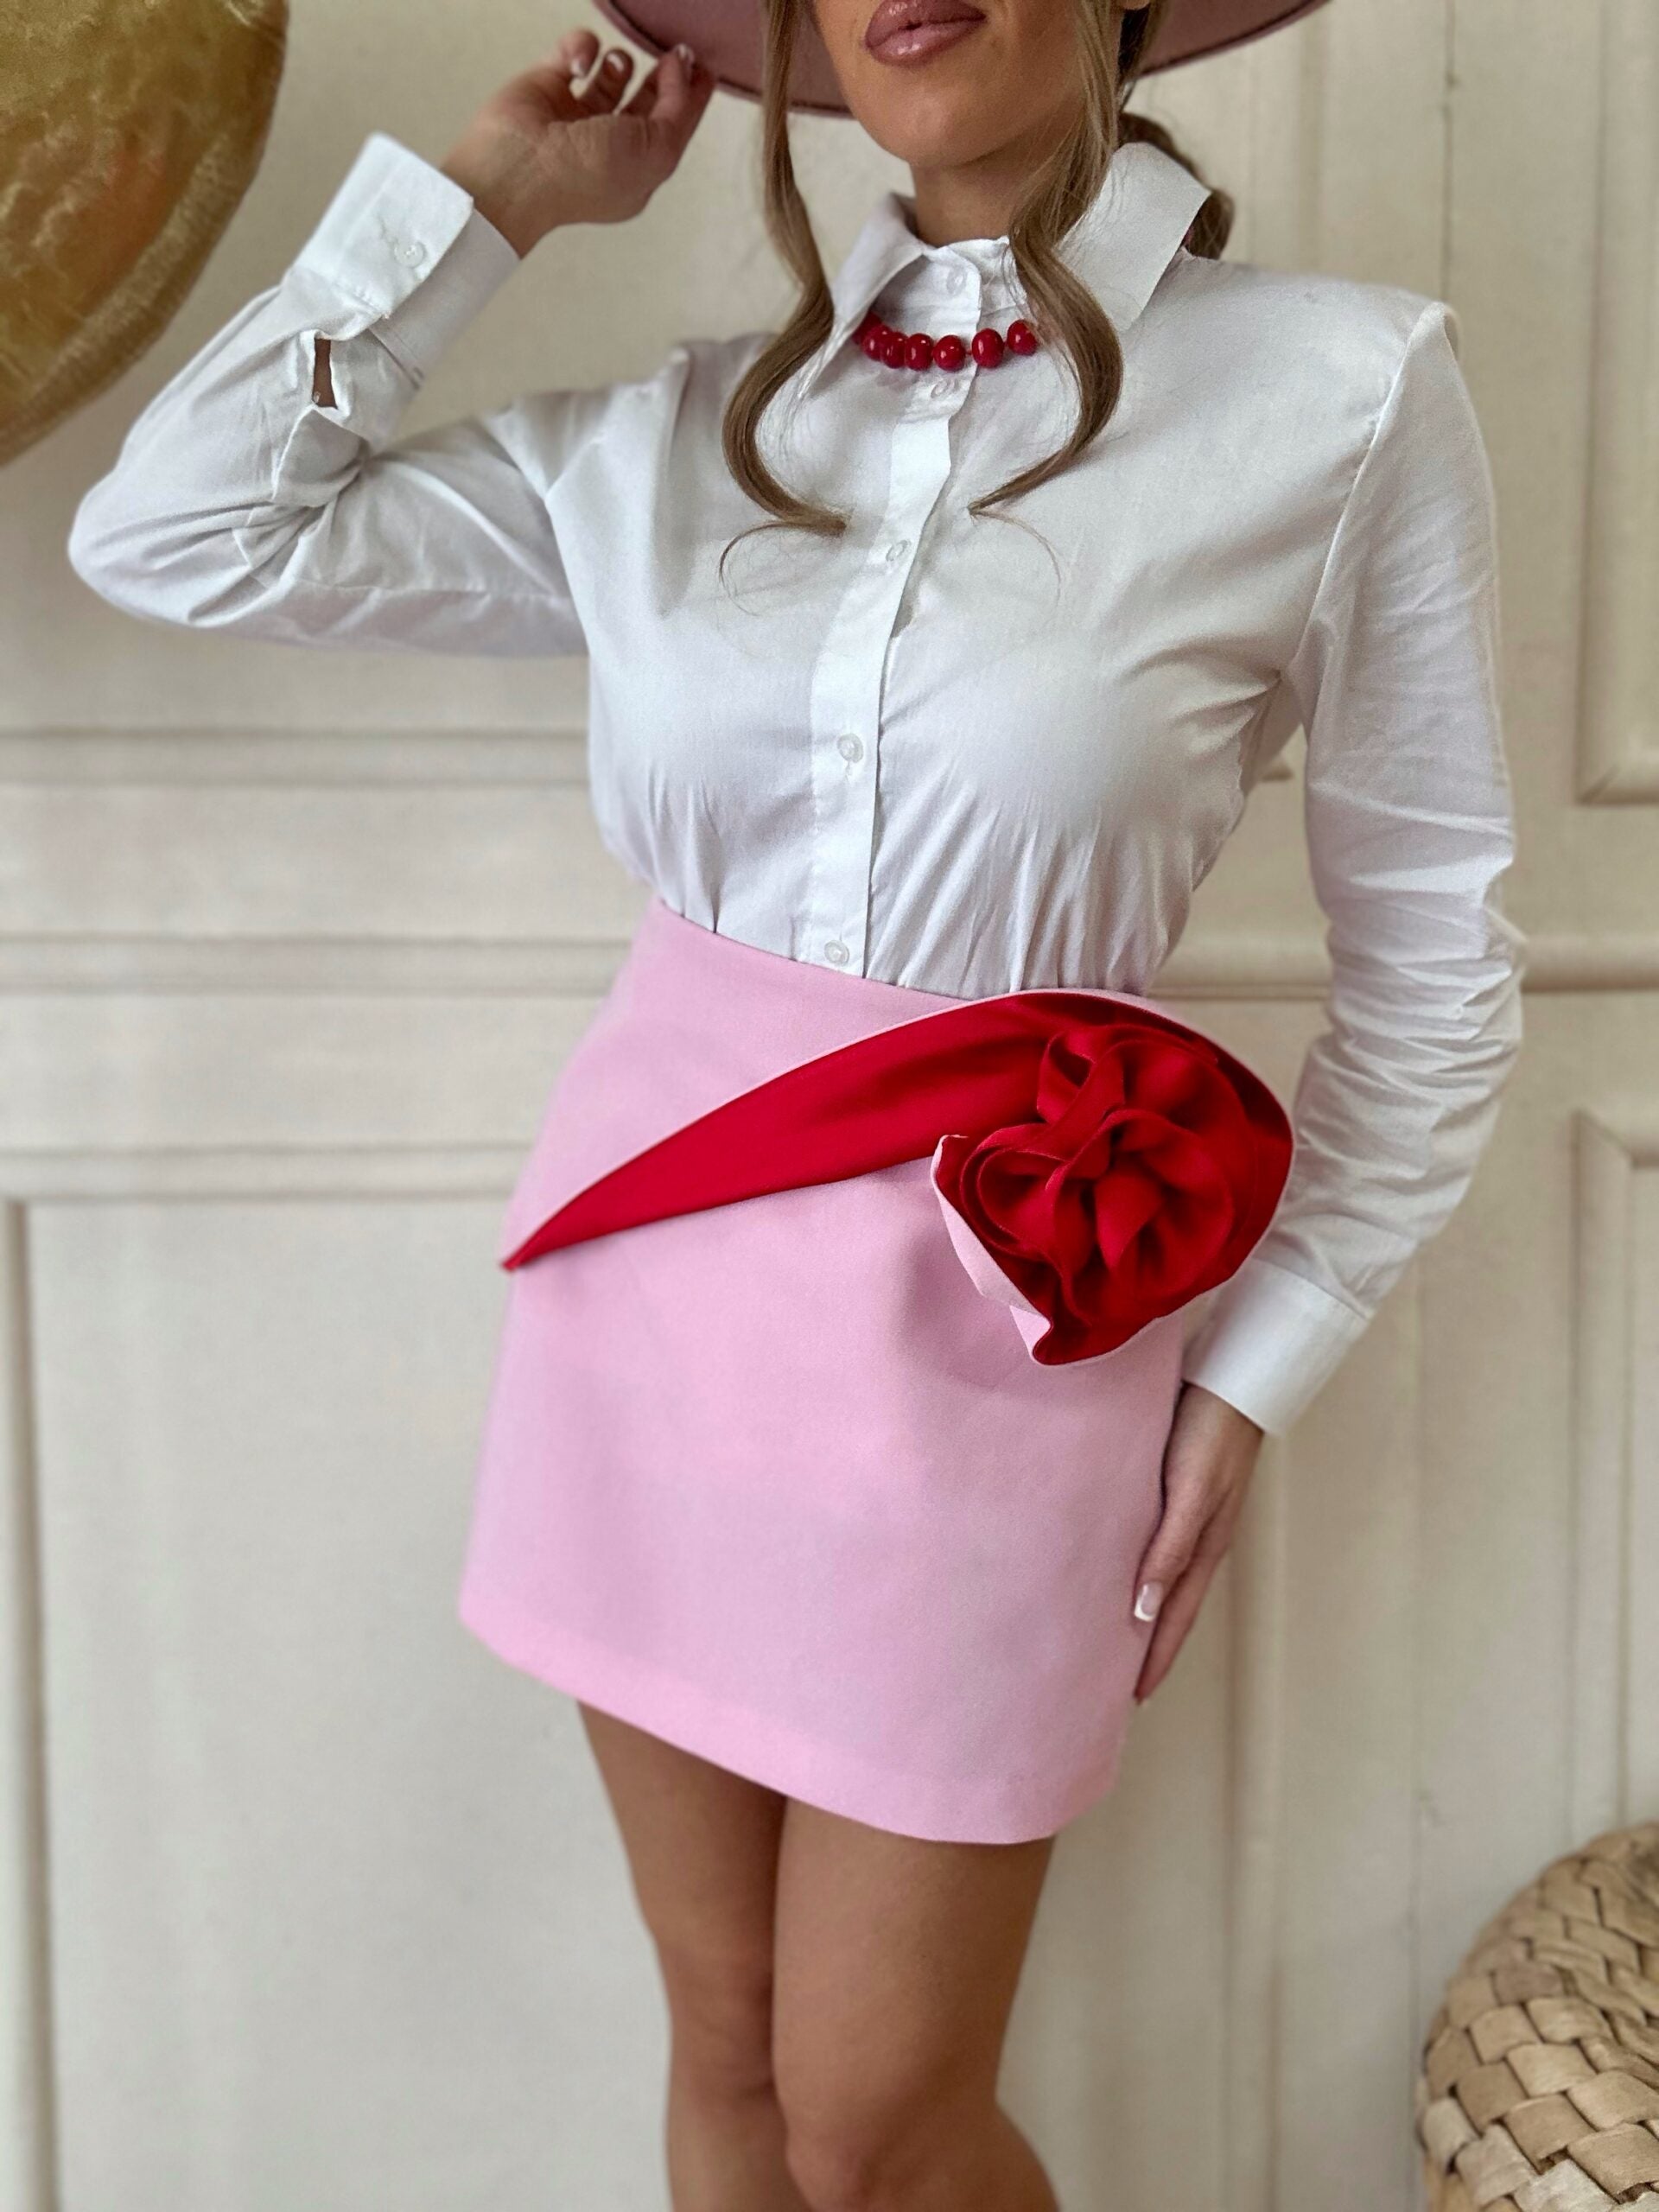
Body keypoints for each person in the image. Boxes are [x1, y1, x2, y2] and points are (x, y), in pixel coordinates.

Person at [67, 3, 1526, 2204]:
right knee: (736, 2062)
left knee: (881, 2122)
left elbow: (1432, 951)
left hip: (1000, 1365)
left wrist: (1261, 1362)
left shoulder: (1341, 392)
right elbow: (177, 528)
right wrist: (485, 207)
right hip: (646, 1325)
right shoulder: (675, 437)